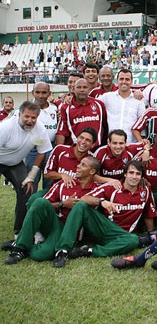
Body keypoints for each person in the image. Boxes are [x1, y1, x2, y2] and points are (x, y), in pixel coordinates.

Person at [52, 160, 157, 267]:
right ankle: (62, 251)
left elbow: (149, 212)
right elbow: (84, 198)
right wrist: (102, 201)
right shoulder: (112, 187)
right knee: (80, 206)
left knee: (133, 240)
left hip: (124, 235)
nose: (134, 177)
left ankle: (87, 251)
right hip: (105, 229)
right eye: (131, 173)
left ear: (142, 177)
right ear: (125, 174)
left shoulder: (146, 189)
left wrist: (151, 234)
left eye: (138, 174)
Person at [5, 156, 100, 264]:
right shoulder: (64, 183)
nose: (78, 166)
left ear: (92, 171)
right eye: (79, 163)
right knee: (39, 201)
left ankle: (28, 242)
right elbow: (43, 205)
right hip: (54, 221)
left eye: (83, 165)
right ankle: (19, 249)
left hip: (68, 232)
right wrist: (63, 204)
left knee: (39, 254)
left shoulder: (96, 190)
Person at [0, 102, 52, 240]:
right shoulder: (5, 128)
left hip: (15, 163)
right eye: (26, 117)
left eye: (33, 118)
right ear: (19, 114)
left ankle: (19, 231)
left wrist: (31, 175)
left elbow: (42, 152)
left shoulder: (39, 129)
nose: (30, 121)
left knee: (26, 189)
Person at [56, 78, 107, 147]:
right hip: (76, 150)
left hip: (96, 148)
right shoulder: (66, 108)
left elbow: (105, 126)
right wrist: (59, 151)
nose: (82, 90)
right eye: (79, 87)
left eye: (85, 87)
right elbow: (61, 132)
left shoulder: (99, 104)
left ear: (89, 88)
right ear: (73, 89)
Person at [100, 69, 145, 143]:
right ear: (117, 81)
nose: (124, 82)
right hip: (111, 144)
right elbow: (92, 104)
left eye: (127, 79)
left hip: (131, 144)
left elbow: (142, 126)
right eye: (121, 79)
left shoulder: (138, 101)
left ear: (131, 81)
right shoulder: (107, 97)